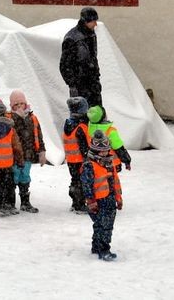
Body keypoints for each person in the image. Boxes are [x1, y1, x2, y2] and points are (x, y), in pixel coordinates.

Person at [81, 130, 123, 261]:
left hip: (110, 199)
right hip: (98, 201)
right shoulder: (89, 165)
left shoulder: (110, 163)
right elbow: (87, 185)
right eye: (102, 150)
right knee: (104, 225)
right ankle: (103, 248)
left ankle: (97, 246)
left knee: (103, 224)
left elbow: (115, 181)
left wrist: (118, 198)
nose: (105, 152)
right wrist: (91, 201)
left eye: (106, 150)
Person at [9, 90, 46, 214]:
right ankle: (11, 203)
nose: (19, 106)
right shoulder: (9, 118)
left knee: (25, 177)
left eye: (21, 103)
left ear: (26, 104)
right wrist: (18, 118)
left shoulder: (32, 118)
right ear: (12, 106)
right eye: (16, 104)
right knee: (13, 177)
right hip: (14, 155)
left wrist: (42, 151)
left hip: (28, 154)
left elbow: (38, 136)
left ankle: (25, 202)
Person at [60, 7, 102, 106]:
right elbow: (64, 65)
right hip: (80, 86)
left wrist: (96, 76)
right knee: (81, 116)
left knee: (97, 115)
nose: (95, 24)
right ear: (86, 21)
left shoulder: (91, 35)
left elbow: (93, 58)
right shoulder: (72, 38)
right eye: (93, 21)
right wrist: (73, 84)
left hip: (93, 85)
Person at [62, 96, 92, 213]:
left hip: (71, 160)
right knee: (82, 181)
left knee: (75, 180)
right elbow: (84, 146)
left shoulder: (68, 124)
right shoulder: (81, 127)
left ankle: (75, 202)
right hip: (80, 160)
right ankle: (80, 204)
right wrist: (87, 157)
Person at [86, 105, 132, 173]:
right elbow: (118, 147)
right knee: (112, 181)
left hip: (95, 163)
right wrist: (127, 160)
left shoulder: (88, 130)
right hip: (111, 163)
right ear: (103, 117)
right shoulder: (110, 130)